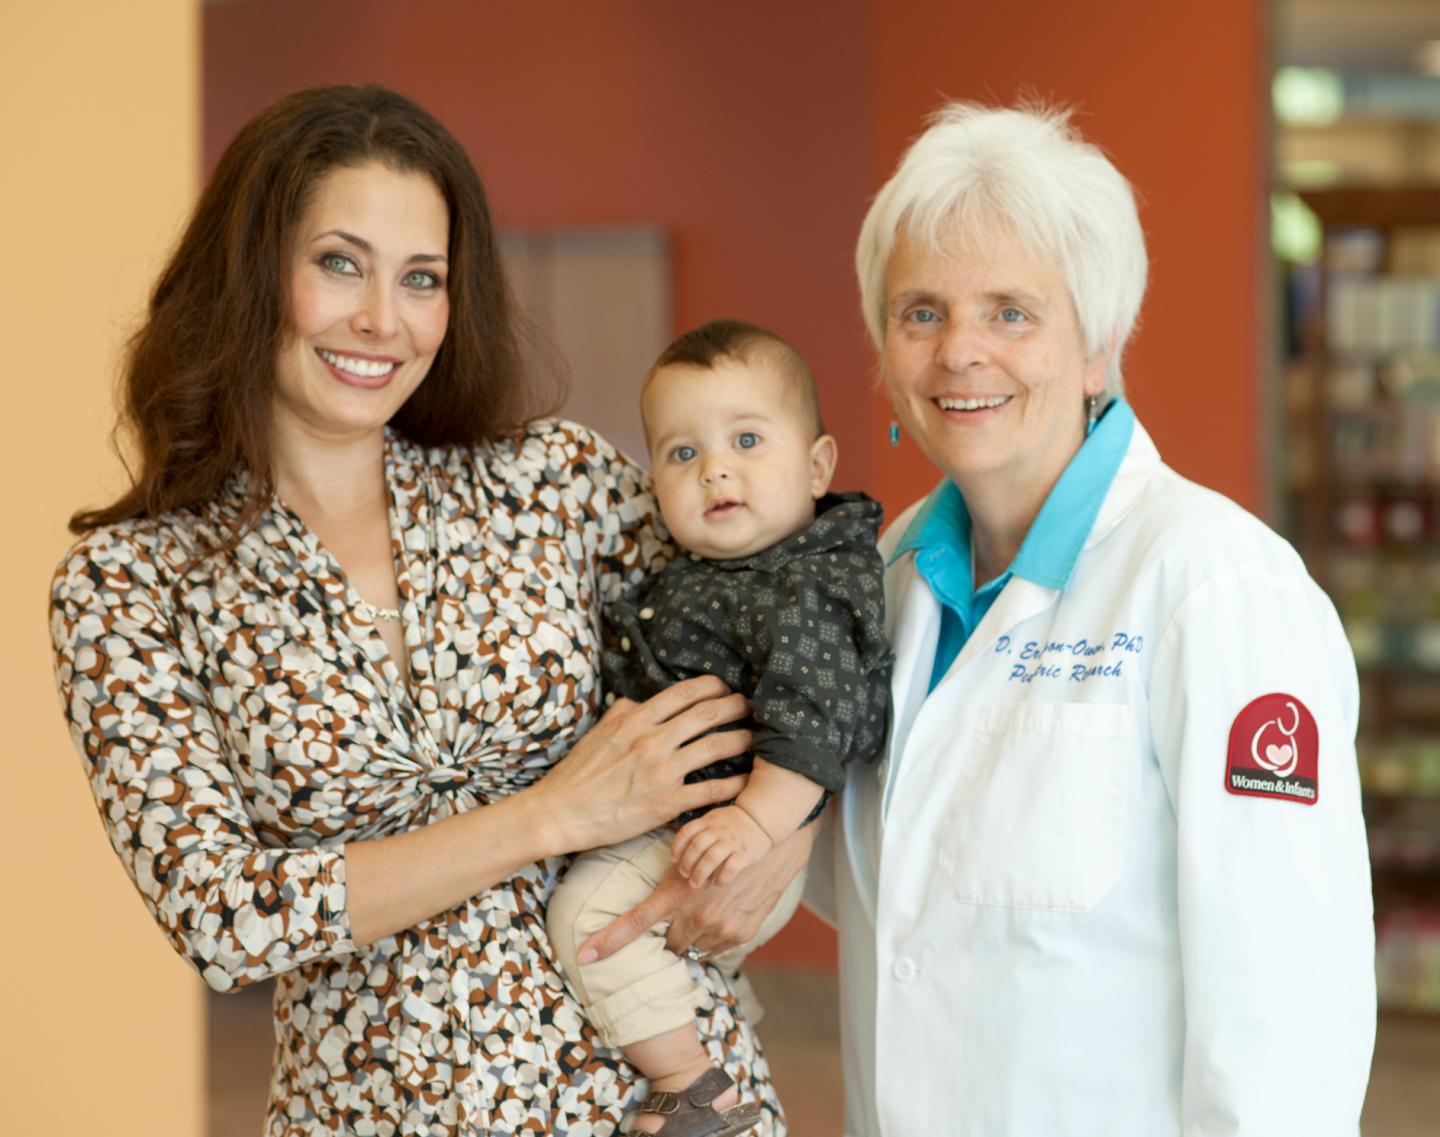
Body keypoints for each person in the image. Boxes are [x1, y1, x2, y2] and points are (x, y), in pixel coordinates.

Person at [48, 85, 810, 1137]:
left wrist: (784, 833)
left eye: (423, 279)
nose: (383, 320)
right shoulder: (132, 587)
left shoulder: (552, 479)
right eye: (338, 263)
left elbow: (795, 629)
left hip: (672, 1105)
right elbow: (223, 918)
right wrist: (547, 817)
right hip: (372, 1113)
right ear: (250, 272)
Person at [804, 101, 1376, 1135]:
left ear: (1097, 346)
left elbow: (1286, 1010)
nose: (959, 353)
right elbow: (888, 909)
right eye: (920, 312)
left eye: (1011, 312)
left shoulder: (1215, 585)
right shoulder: (880, 584)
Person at [545, 319, 891, 1136]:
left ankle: (693, 1086)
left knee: (585, 921)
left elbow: (814, 721)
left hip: (732, 833)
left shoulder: (805, 587)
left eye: (745, 439)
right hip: (700, 827)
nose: (717, 469)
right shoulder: (716, 572)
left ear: (816, 467)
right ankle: (707, 1006)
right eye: (682, 453)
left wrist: (753, 823)